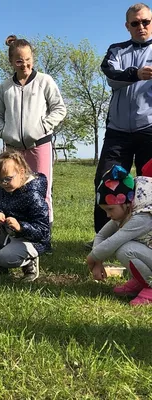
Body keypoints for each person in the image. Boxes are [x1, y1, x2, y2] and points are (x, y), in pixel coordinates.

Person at [0, 35, 66, 229]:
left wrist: (42, 127)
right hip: (13, 149)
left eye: (28, 60)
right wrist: (5, 133)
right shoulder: (5, 87)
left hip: (39, 145)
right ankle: (14, 230)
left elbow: (59, 108)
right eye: (19, 61)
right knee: (13, 189)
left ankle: (44, 232)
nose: (24, 65)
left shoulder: (44, 81)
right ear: (11, 62)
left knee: (42, 190)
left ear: (32, 59)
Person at [93, 2, 152, 238]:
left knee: (149, 186)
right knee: (105, 182)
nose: (141, 26)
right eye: (135, 23)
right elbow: (110, 74)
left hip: (149, 130)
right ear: (127, 26)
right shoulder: (116, 50)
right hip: (117, 132)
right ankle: (102, 238)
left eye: (146, 22)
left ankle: (146, 238)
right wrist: (136, 74)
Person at [0, 150, 50, 281]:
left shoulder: (33, 195)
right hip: (11, 234)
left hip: (31, 241)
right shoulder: (3, 190)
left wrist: (20, 227)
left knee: (4, 257)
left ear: (21, 172)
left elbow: (43, 231)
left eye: (8, 179)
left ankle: (30, 261)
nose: (4, 183)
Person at [87, 164, 152, 306]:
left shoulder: (144, 215)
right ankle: (141, 280)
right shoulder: (128, 208)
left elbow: (114, 241)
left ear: (125, 203)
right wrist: (98, 262)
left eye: (110, 209)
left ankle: (150, 285)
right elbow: (101, 236)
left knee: (126, 249)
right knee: (127, 248)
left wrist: (92, 258)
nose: (108, 215)